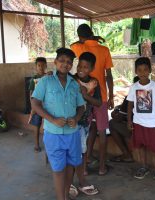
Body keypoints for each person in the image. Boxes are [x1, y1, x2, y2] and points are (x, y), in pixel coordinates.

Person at [31, 48, 85, 200]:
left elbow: (81, 106)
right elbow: (35, 103)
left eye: (69, 62)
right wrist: (52, 119)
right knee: (58, 169)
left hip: (72, 134)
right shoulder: (45, 81)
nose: (65, 64)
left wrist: (77, 117)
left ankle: (66, 196)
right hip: (53, 134)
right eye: (62, 60)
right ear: (55, 62)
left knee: (69, 167)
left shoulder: (74, 85)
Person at [71, 23, 114, 176]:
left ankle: (85, 166)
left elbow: (72, 45)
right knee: (101, 132)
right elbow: (109, 75)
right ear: (92, 33)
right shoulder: (104, 50)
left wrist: (85, 40)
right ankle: (102, 167)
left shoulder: (80, 48)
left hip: (84, 101)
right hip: (101, 97)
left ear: (80, 37)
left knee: (86, 131)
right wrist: (111, 96)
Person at [127, 57, 155, 184]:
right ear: (136, 71)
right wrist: (129, 120)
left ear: (149, 71)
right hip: (138, 122)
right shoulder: (134, 87)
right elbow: (130, 104)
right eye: (139, 70)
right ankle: (143, 167)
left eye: (145, 69)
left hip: (152, 124)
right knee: (139, 146)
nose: (142, 72)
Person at [71, 52, 101, 197]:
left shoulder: (94, 83)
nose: (81, 69)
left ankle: (80, 178)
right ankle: (71, 182)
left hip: (85, 122)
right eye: (79, 65)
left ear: (92, 68)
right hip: (70, 122)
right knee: (72, 151)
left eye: (86, 67)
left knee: (82, 152)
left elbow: (99, 103)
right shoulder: (71, 79)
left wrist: (86, 95)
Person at [109, 76, 140, 163]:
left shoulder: (131, 96)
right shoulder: (149, 93)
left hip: (136, 130)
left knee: (112, 123)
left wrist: (114, 114)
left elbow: (119, 117)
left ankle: (126, 154)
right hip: (146, 127)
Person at [28, 57, 47, 152]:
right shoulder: (33, 80)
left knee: (48, 125)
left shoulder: (48, 77)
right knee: (36, 124)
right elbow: (31, 94)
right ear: (36, 67)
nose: (41, 67)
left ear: (46, 66)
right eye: (39, 65)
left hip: (47, 106)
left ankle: (48, 144)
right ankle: (36, 145)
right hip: (37, 106)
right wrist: (33, 106)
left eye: (43, 65)